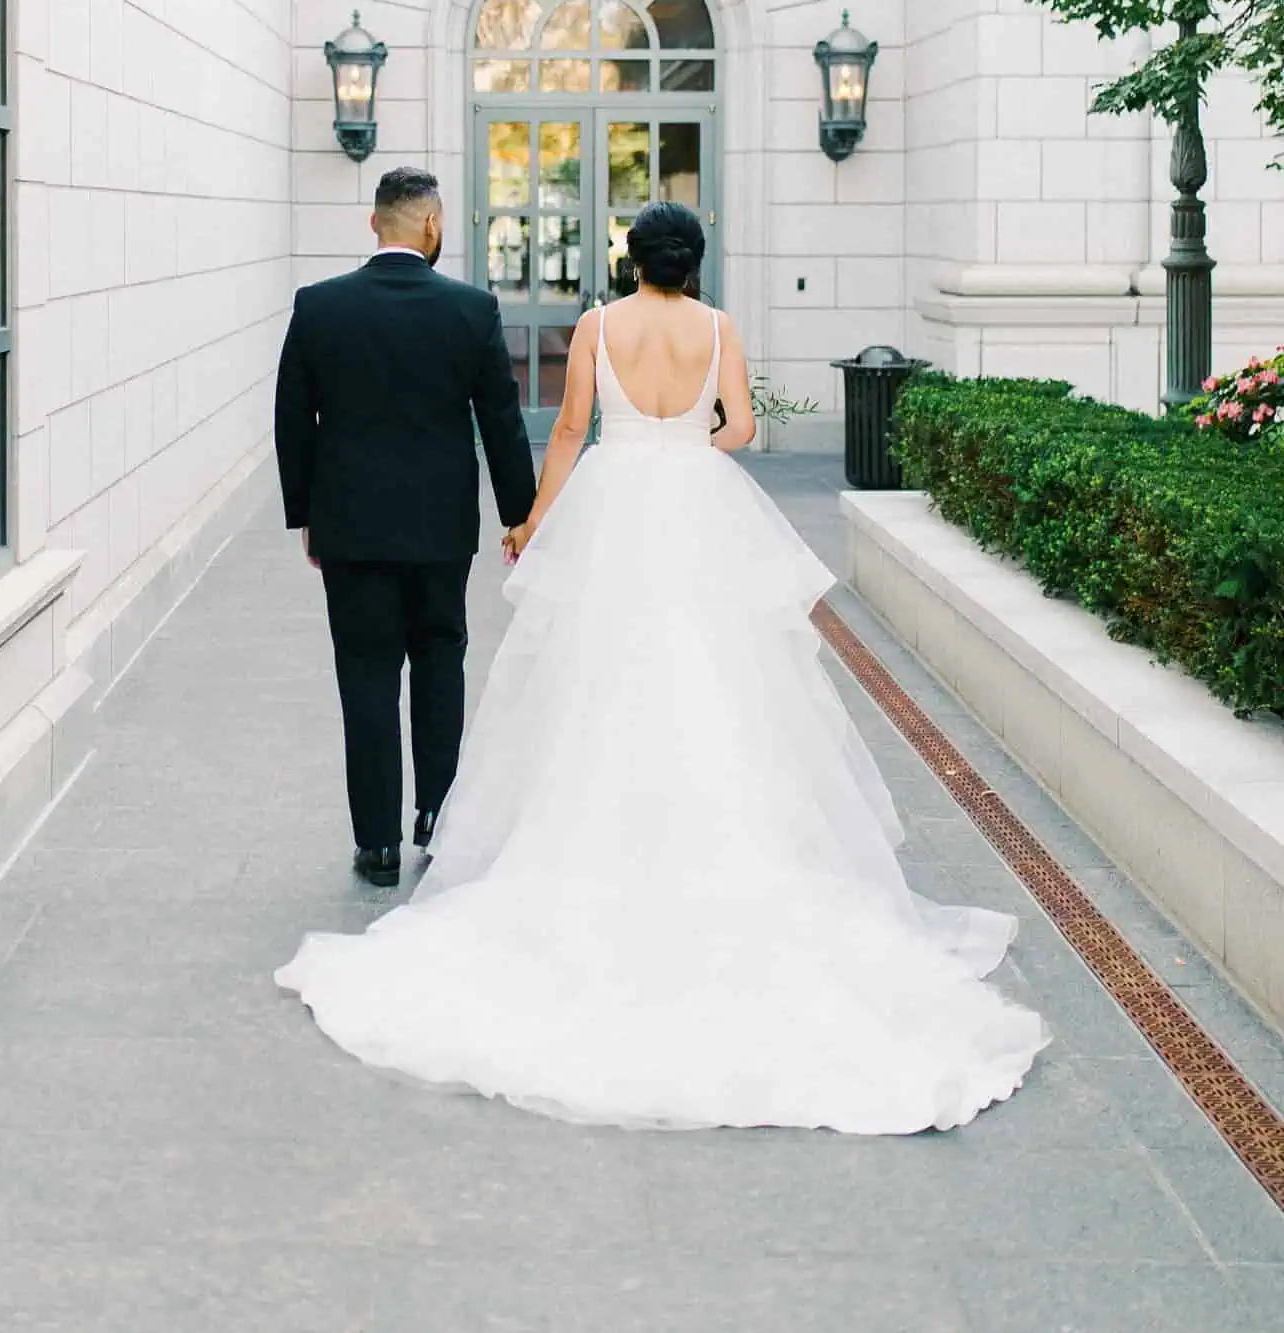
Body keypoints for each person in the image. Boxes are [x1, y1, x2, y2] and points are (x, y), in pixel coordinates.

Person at [277, 201, 1049, 1134]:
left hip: (615, 504)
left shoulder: (599, 325)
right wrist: (688, 441)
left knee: (596, 673)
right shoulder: (718, 326)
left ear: (631, 259)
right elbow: (742, 432)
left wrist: (533, 522)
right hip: (694, 502)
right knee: (718, 678)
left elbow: (566, 433)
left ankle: (540, 835)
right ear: (695, 262)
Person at [274, 165, 537, 890]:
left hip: (351, 527)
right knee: (439, 667)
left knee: (365, 678)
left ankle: (376, 846)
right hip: (439, 530)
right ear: (431, 225)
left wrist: (306, 514)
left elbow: (293, 419)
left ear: (373, 225)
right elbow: (502, 423)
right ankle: (436, 820)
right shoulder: (471, 310)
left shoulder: (320, 307)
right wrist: (522, 513)